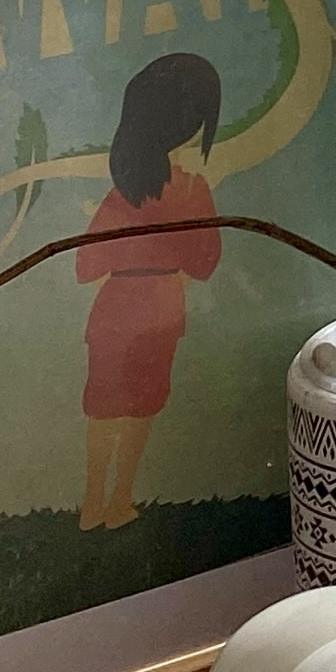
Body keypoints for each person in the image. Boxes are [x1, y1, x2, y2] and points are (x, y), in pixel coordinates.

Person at [77, 52, 225, 532]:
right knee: (141, 407)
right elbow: (204, 263)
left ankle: (93, 503)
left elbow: (85, 265)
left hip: (115, 307)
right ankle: (119, 500)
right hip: (162, 305)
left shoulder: (121, 195)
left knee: (104, 406)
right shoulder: (191, 190)